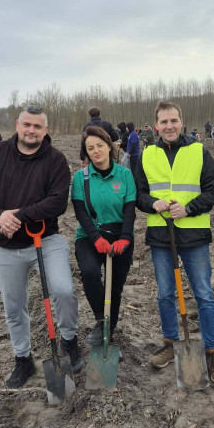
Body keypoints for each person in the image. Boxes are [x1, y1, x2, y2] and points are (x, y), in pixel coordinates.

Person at [0, 105, 83, 388]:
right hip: (6, 246)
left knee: (64, 290)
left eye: (38, 126)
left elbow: (57, 202)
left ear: (45, 130)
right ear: (18, 125)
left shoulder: (55, 160)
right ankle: (23, 359)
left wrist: (17, 215)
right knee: (13, 305)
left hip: (46, 239)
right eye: (27, 125)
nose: (31, 131)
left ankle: (69, 340)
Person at [135, 100, 214, 384]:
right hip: (161, 236)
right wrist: (154, 203)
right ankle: (170, 344)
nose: (169, 126)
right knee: (164, 293)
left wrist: (188, 208)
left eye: (173, 120)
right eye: (163, 122)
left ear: (181, 121)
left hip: (194, 235)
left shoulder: (199, 151)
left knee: (202, 294)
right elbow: (138, 195)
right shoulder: (146, 155)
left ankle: (213, 353)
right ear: (156, 126)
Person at [71, 126, 136, 347]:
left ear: (109, 146)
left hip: (120, 235)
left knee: (115, 285)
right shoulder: (81, 178)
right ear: (86, 153)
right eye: (90, 148)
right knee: (89, 272)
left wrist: (125, 237)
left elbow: (129, 210)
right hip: (90, 235)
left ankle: (110, 328)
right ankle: (101, 319)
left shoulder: (125, 175)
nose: (96, 151)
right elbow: (80, 212)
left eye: (100, 145)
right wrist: (96, 238)